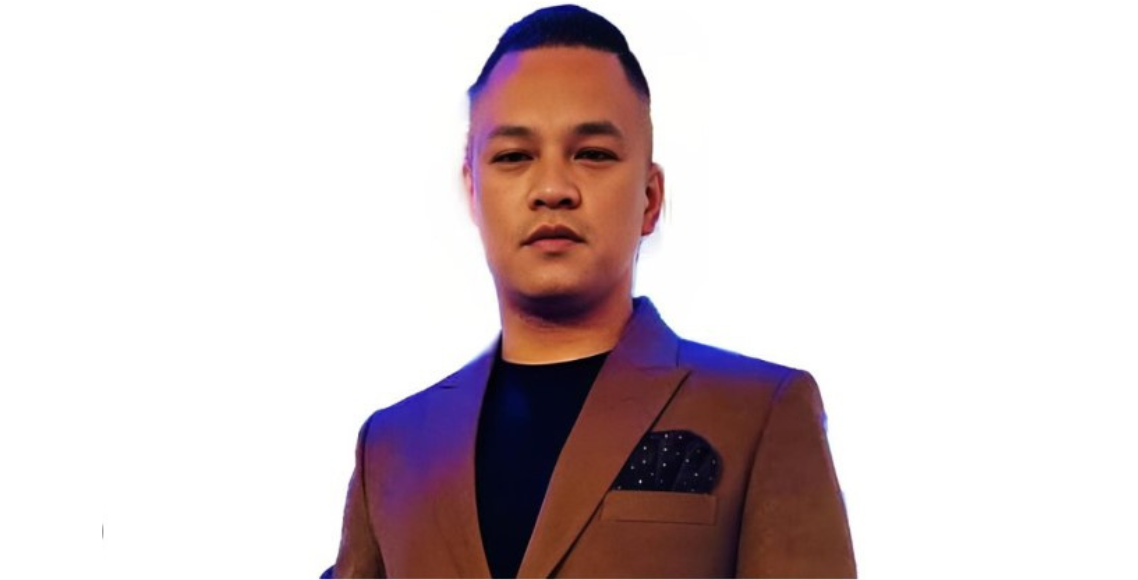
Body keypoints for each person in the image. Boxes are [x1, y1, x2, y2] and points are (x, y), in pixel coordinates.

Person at [327, 4, 855, 578]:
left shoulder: (760, 412)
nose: (553, 188)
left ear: (650, 198)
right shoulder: (392, 445)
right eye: (514, 157)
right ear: (472, 192)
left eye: (593, 154)